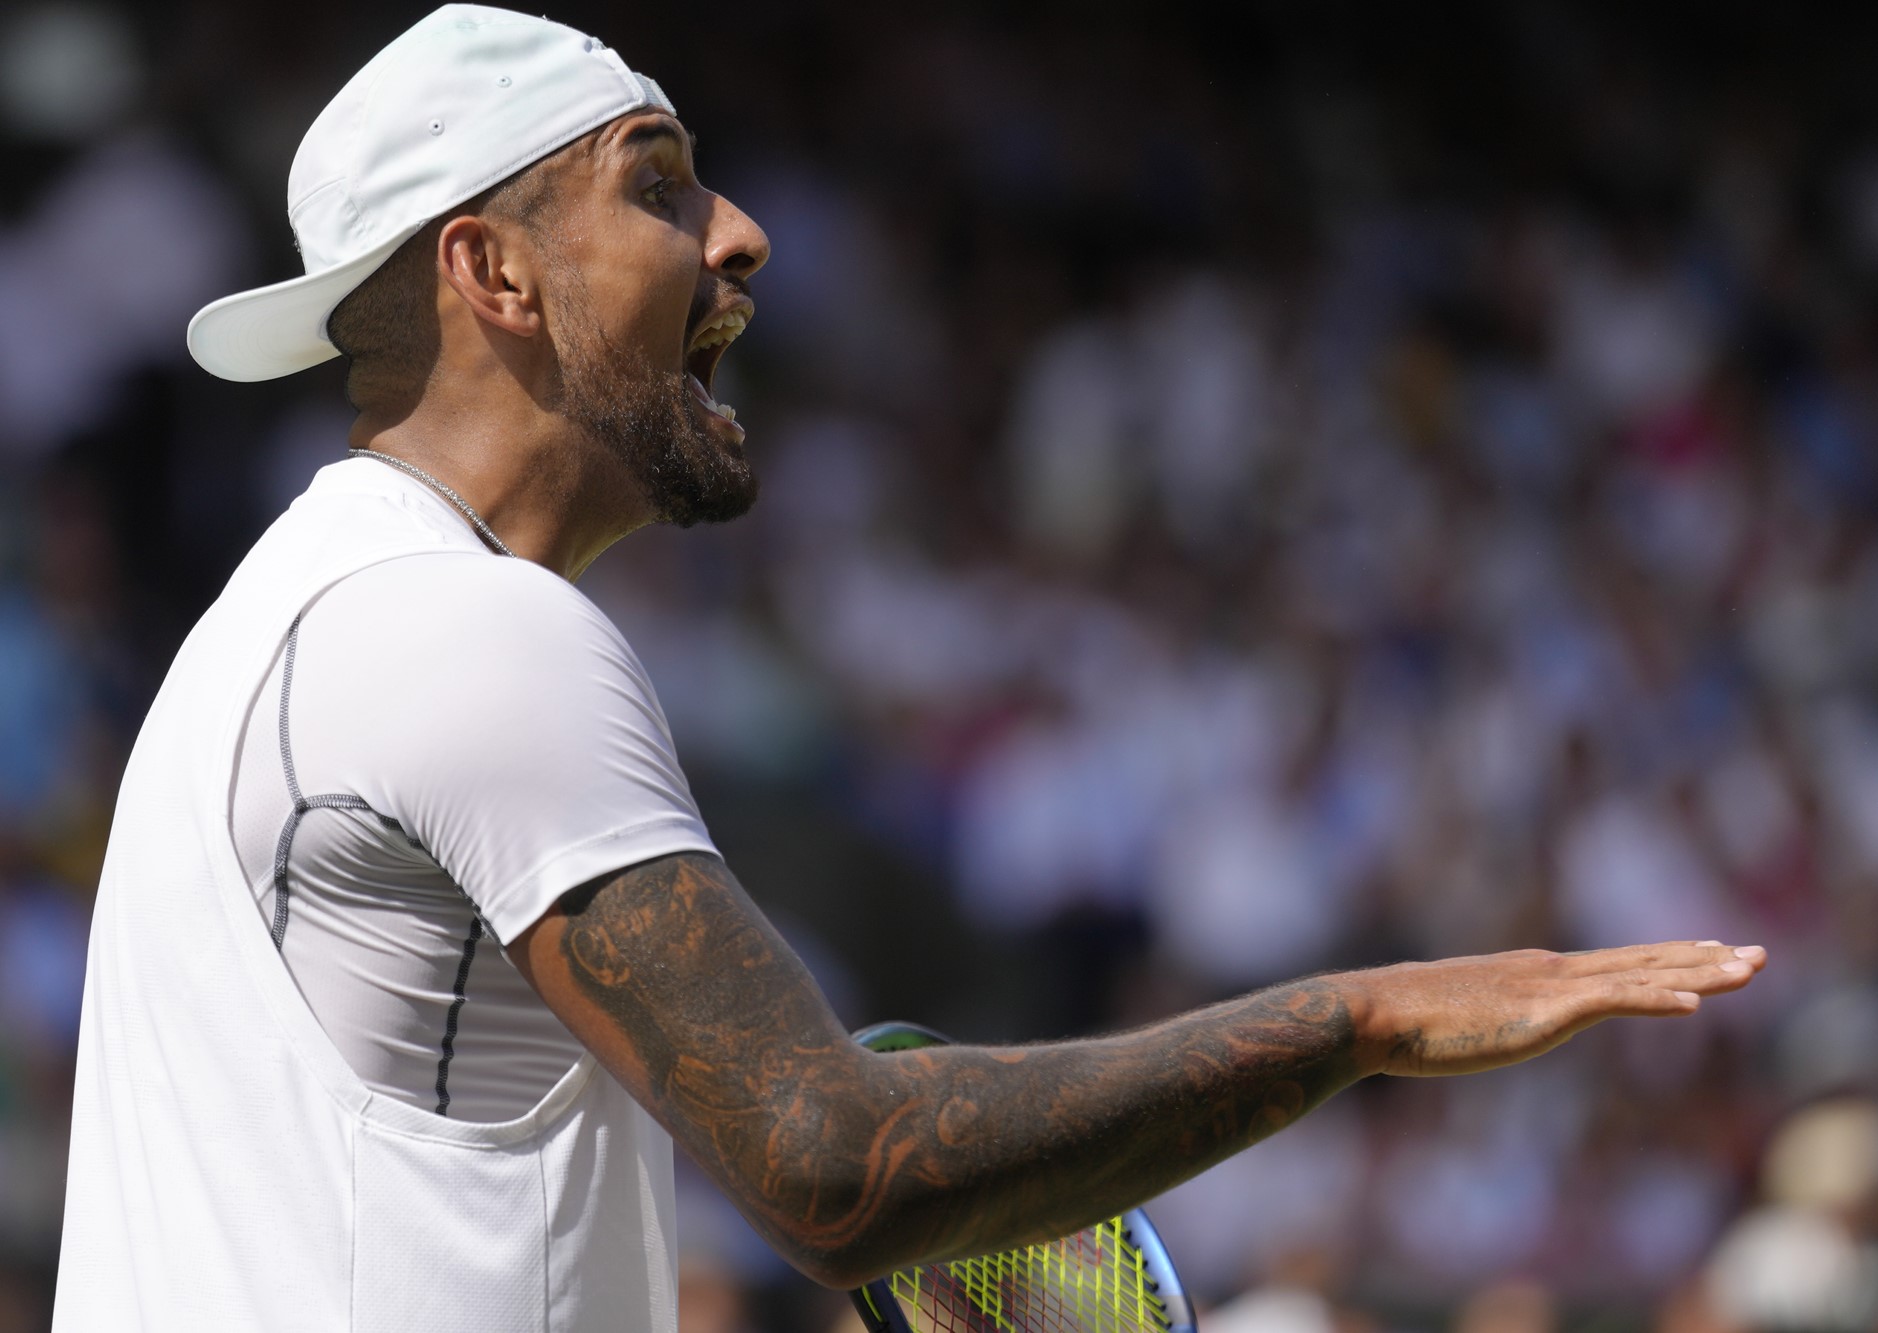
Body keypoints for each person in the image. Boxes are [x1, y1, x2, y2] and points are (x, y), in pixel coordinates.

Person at [52, 5, 1769, 1329]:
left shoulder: (271, 633)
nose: (740, 235)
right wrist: (1363, 1015)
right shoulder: (465, 629)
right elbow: (836, 1162)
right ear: (490, 270)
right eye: (656, 186)